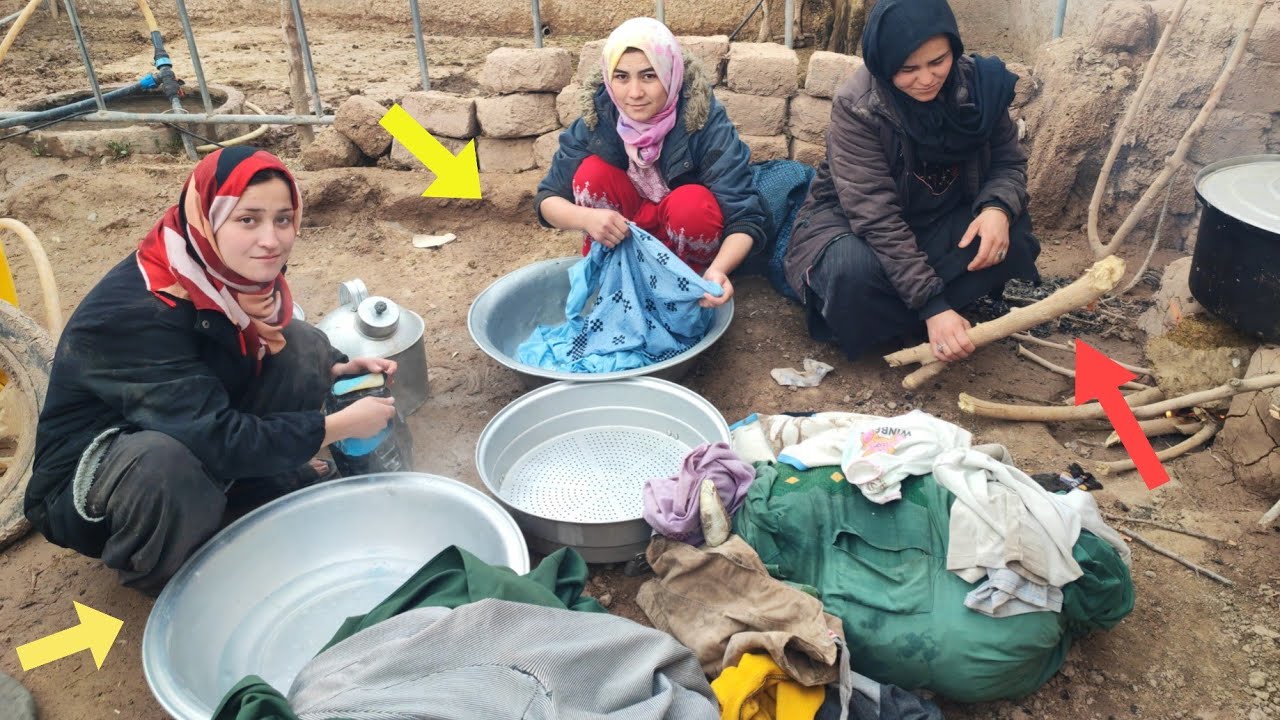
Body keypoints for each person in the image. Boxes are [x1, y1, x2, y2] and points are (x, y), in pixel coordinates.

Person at [24, 147, 398, 594]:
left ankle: (246, 489)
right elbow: (215, 437)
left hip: (181, 421)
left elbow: (268, 354)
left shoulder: (219, 273)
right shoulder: (137, 311)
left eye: (283, 219)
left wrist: (339, 367)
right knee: (165, 465)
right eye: (248, 219)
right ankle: (176, 579)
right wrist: (332, 427)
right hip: (106, 474)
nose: (271, 240)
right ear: (208, 217)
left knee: (301, 345)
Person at [783, 0, 1040, 363]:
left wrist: (997, 207)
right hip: (858, 227)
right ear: (884, 65)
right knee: (849, 271)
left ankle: (907, 318)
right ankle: (931, 316)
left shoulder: (981, 89)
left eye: (938, 61)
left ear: (953, 47)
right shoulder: (858, 106)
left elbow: (1008, 163)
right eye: (907, 69)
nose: (927, 78)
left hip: (938, 219)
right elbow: (876, 216)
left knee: (1009, 237)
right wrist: (932, 304)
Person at [535, 17, 769, 308]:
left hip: (681, 237)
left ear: (670, 74)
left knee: (692, 204)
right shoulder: (599, 117)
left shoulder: (704, 122)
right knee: (592, 174)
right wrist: (587, 219)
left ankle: (684, 285)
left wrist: (718, 270)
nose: (634, 93)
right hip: (623, 233)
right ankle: (612, 274)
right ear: (609, 78)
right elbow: (547, 199)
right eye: (621, 77)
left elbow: (745, 218)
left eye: (649, 76)